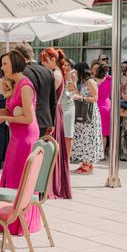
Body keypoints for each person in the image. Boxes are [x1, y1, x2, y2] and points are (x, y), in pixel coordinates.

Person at [0, 50, 41, 235]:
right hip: (17, 136)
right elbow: (9, 112)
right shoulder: (16, 84)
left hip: (26, 137)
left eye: (5, 64)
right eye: (2, 64)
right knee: (11, 173)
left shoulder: (25, 86)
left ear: (16, 63)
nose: (2, 67)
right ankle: (9, 217)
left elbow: (28, 118)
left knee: (19, 176)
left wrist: (4, 120)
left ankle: (19, 220)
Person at [40, 47, 72, 199]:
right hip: (54, 112)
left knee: (50, 148)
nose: (42, 64)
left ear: (52, 60)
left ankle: (51, 186)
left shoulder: (56, 74)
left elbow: (48, 97)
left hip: (52, 113)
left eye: (44, 61)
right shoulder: (56, 73)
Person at [14, 43, 56, 137]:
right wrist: (52, 122)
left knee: (28, 151)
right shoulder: (48, 71)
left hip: (27, 120)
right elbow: (53, 101)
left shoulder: (21, 73)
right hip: (45, 121)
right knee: (40, 150)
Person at [69, 62, 102, 174]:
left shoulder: (91, 82)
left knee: (88, 137)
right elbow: (78, 94)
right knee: (84, 138)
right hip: (85, 111)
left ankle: (88, 164)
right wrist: (73, 83)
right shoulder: (84, 83)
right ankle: (85, 162)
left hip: (90, 112)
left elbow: (96, 98)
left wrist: (82, 97)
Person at [60, 58, 76, 161]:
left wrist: (70, 80)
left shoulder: (73, 76)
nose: (66, 67)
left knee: (68, 135)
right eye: (64, 65)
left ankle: (67, 159)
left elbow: (75, 91)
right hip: (59, 106)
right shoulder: (58, 75)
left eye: (68, 65)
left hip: (69, 106)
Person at [94, 62, 112, 158]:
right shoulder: (110, 79)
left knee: (95, 131)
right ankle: (102, 154)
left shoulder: (94, 80)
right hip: (106, 106)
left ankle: (95, 152)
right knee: (104, 133)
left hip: (96, 106)